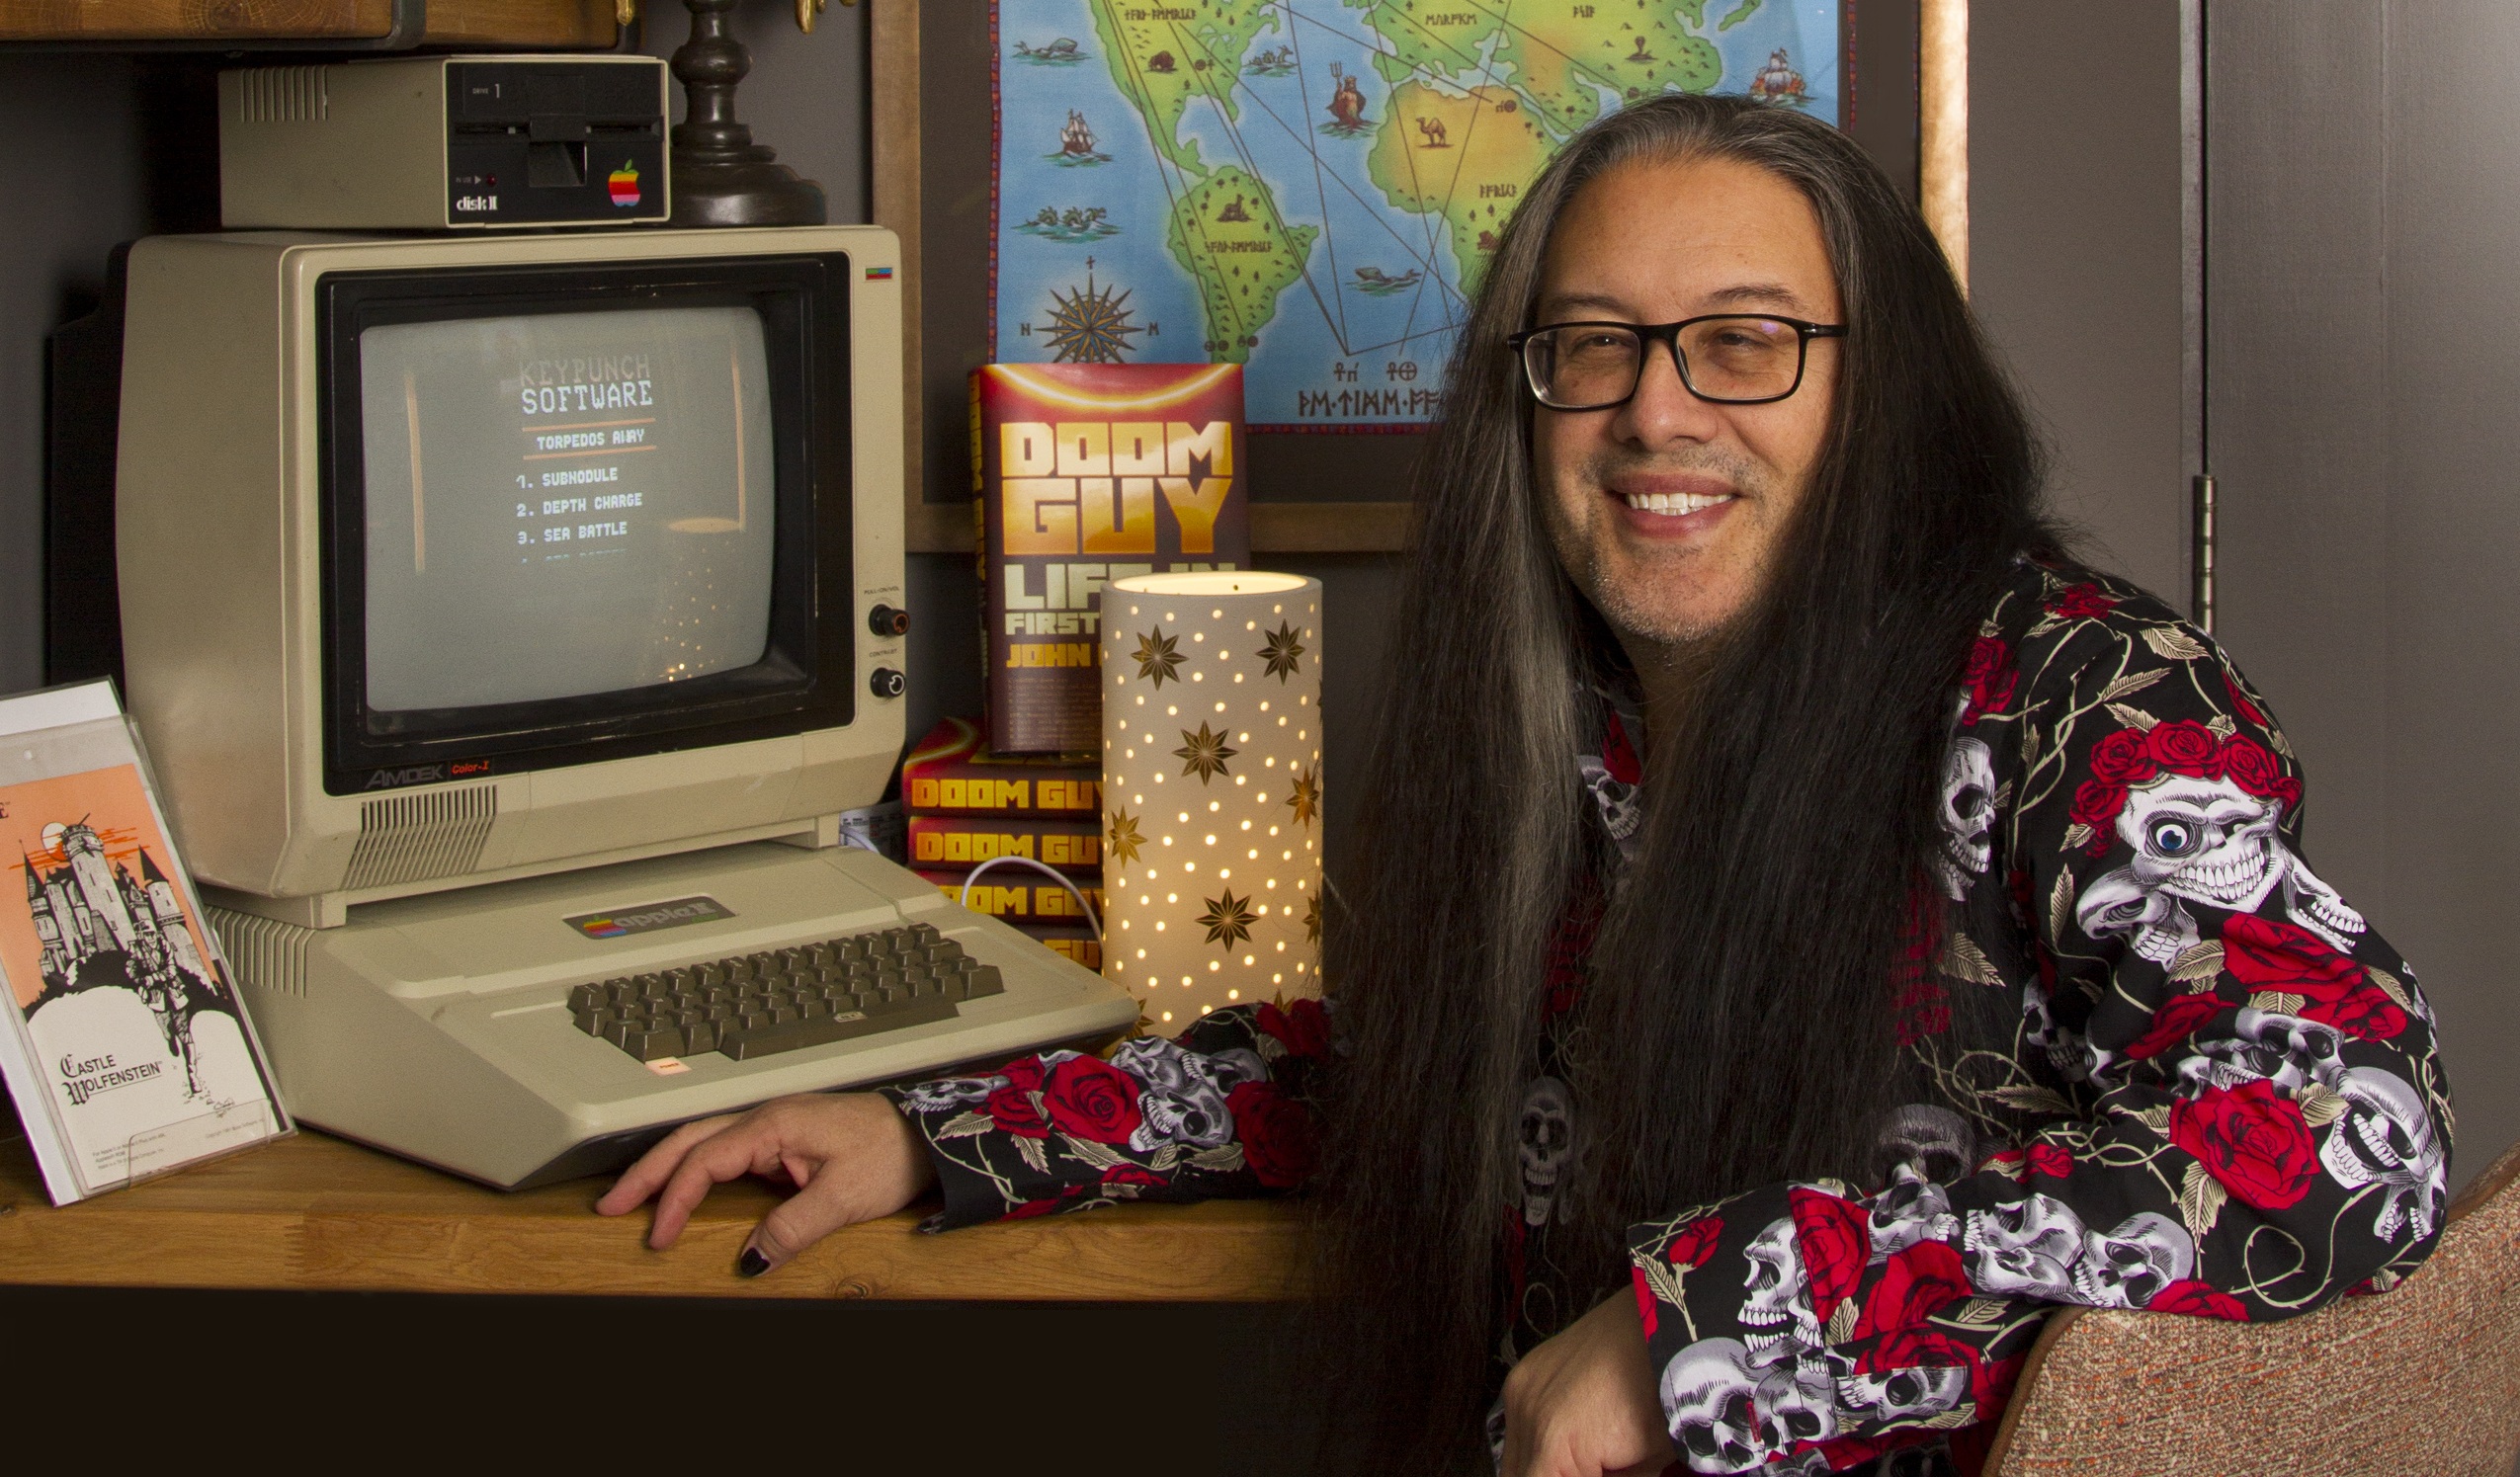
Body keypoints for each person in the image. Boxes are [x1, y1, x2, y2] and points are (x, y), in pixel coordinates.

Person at [599, 96, 2452, 1476]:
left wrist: (1703, 1328)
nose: (1655, 413)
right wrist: (951, 1134)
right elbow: (1437, 1082)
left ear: (1879, 393)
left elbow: (2343, 1131)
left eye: (1745, 342)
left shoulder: (2080, 693)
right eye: (1591, 348)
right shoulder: (1578, 724)